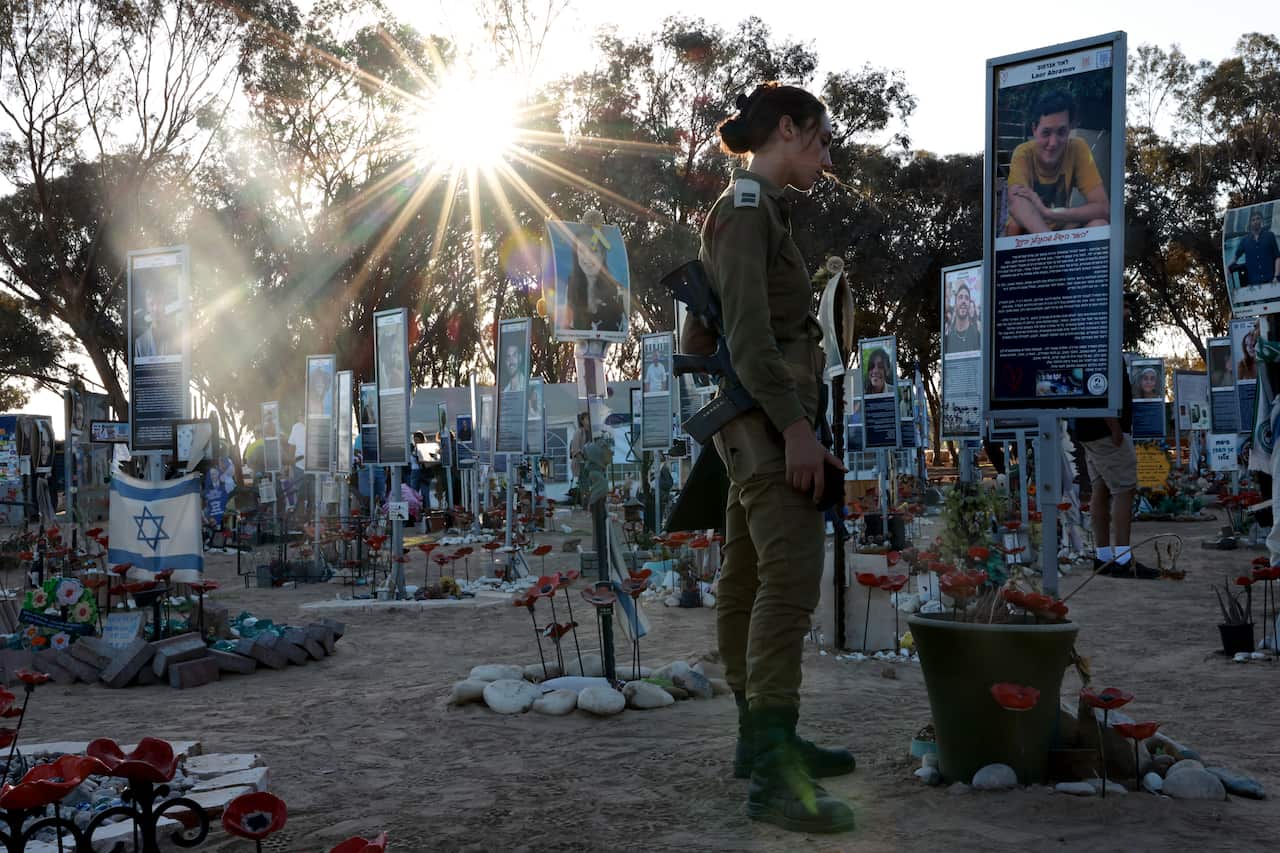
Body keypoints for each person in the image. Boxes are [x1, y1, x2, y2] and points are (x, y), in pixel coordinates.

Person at [700, 82, 855, 834]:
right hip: (767, 421)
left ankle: (763, 738)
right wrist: (797, 430)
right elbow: (752, 340)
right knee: (788, 580)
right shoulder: (748, 210)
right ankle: (772, 774)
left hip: (758, 418)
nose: (826, 157)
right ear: (788, 129)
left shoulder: (762, 213)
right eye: (821, 140)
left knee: (749, 577)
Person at [1076, 293, 1157, 579]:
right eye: (1123, 306)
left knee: (1100, 490)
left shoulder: (1096, 340)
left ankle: (1103, 556)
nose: (1128, 310)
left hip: (1090, 430)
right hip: (1105, 431)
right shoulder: (1102, 342)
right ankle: (1123, 558)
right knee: (1124, 490)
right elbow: (1097, 386)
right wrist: (1114, 427)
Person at [1005, 90, 1110, 236]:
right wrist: (1051, 243)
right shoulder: (1023, 153)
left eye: (1061, 132)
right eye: (1046, 133)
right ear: (1034, 130)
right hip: (1030, 235)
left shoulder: (1077, 148)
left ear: (1070, 129)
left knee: (1099, 224)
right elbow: (1016, 203)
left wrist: (1049, 213)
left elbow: (1103, 208)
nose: (1053, 143)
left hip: (1061, 230)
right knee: (1014, 226)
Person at [565, 231, 625, 334]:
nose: (588, 257)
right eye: (582, 251)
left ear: (602, 255)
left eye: (594, 250)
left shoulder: (616, 290)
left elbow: (623, 326)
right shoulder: (571, 287)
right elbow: (566, 326)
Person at [1229, 210, 1280, 286]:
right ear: (1250, 223)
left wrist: (1276, 276)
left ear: (1261, 220)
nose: (1256, 221)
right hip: (1254, 283)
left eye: (1258, 218)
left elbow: (1277, 257)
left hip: (1272, 280)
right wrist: (1227, 267)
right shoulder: (1245, 240)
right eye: (1253, 220)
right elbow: (1236, 257)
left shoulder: (1270, 236)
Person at [944, 283, 980, 352]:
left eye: (967, 298)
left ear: (969, 304)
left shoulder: (977, 335)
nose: (963, 301)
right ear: (955, 303)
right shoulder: (948, 338)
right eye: (960, 297)